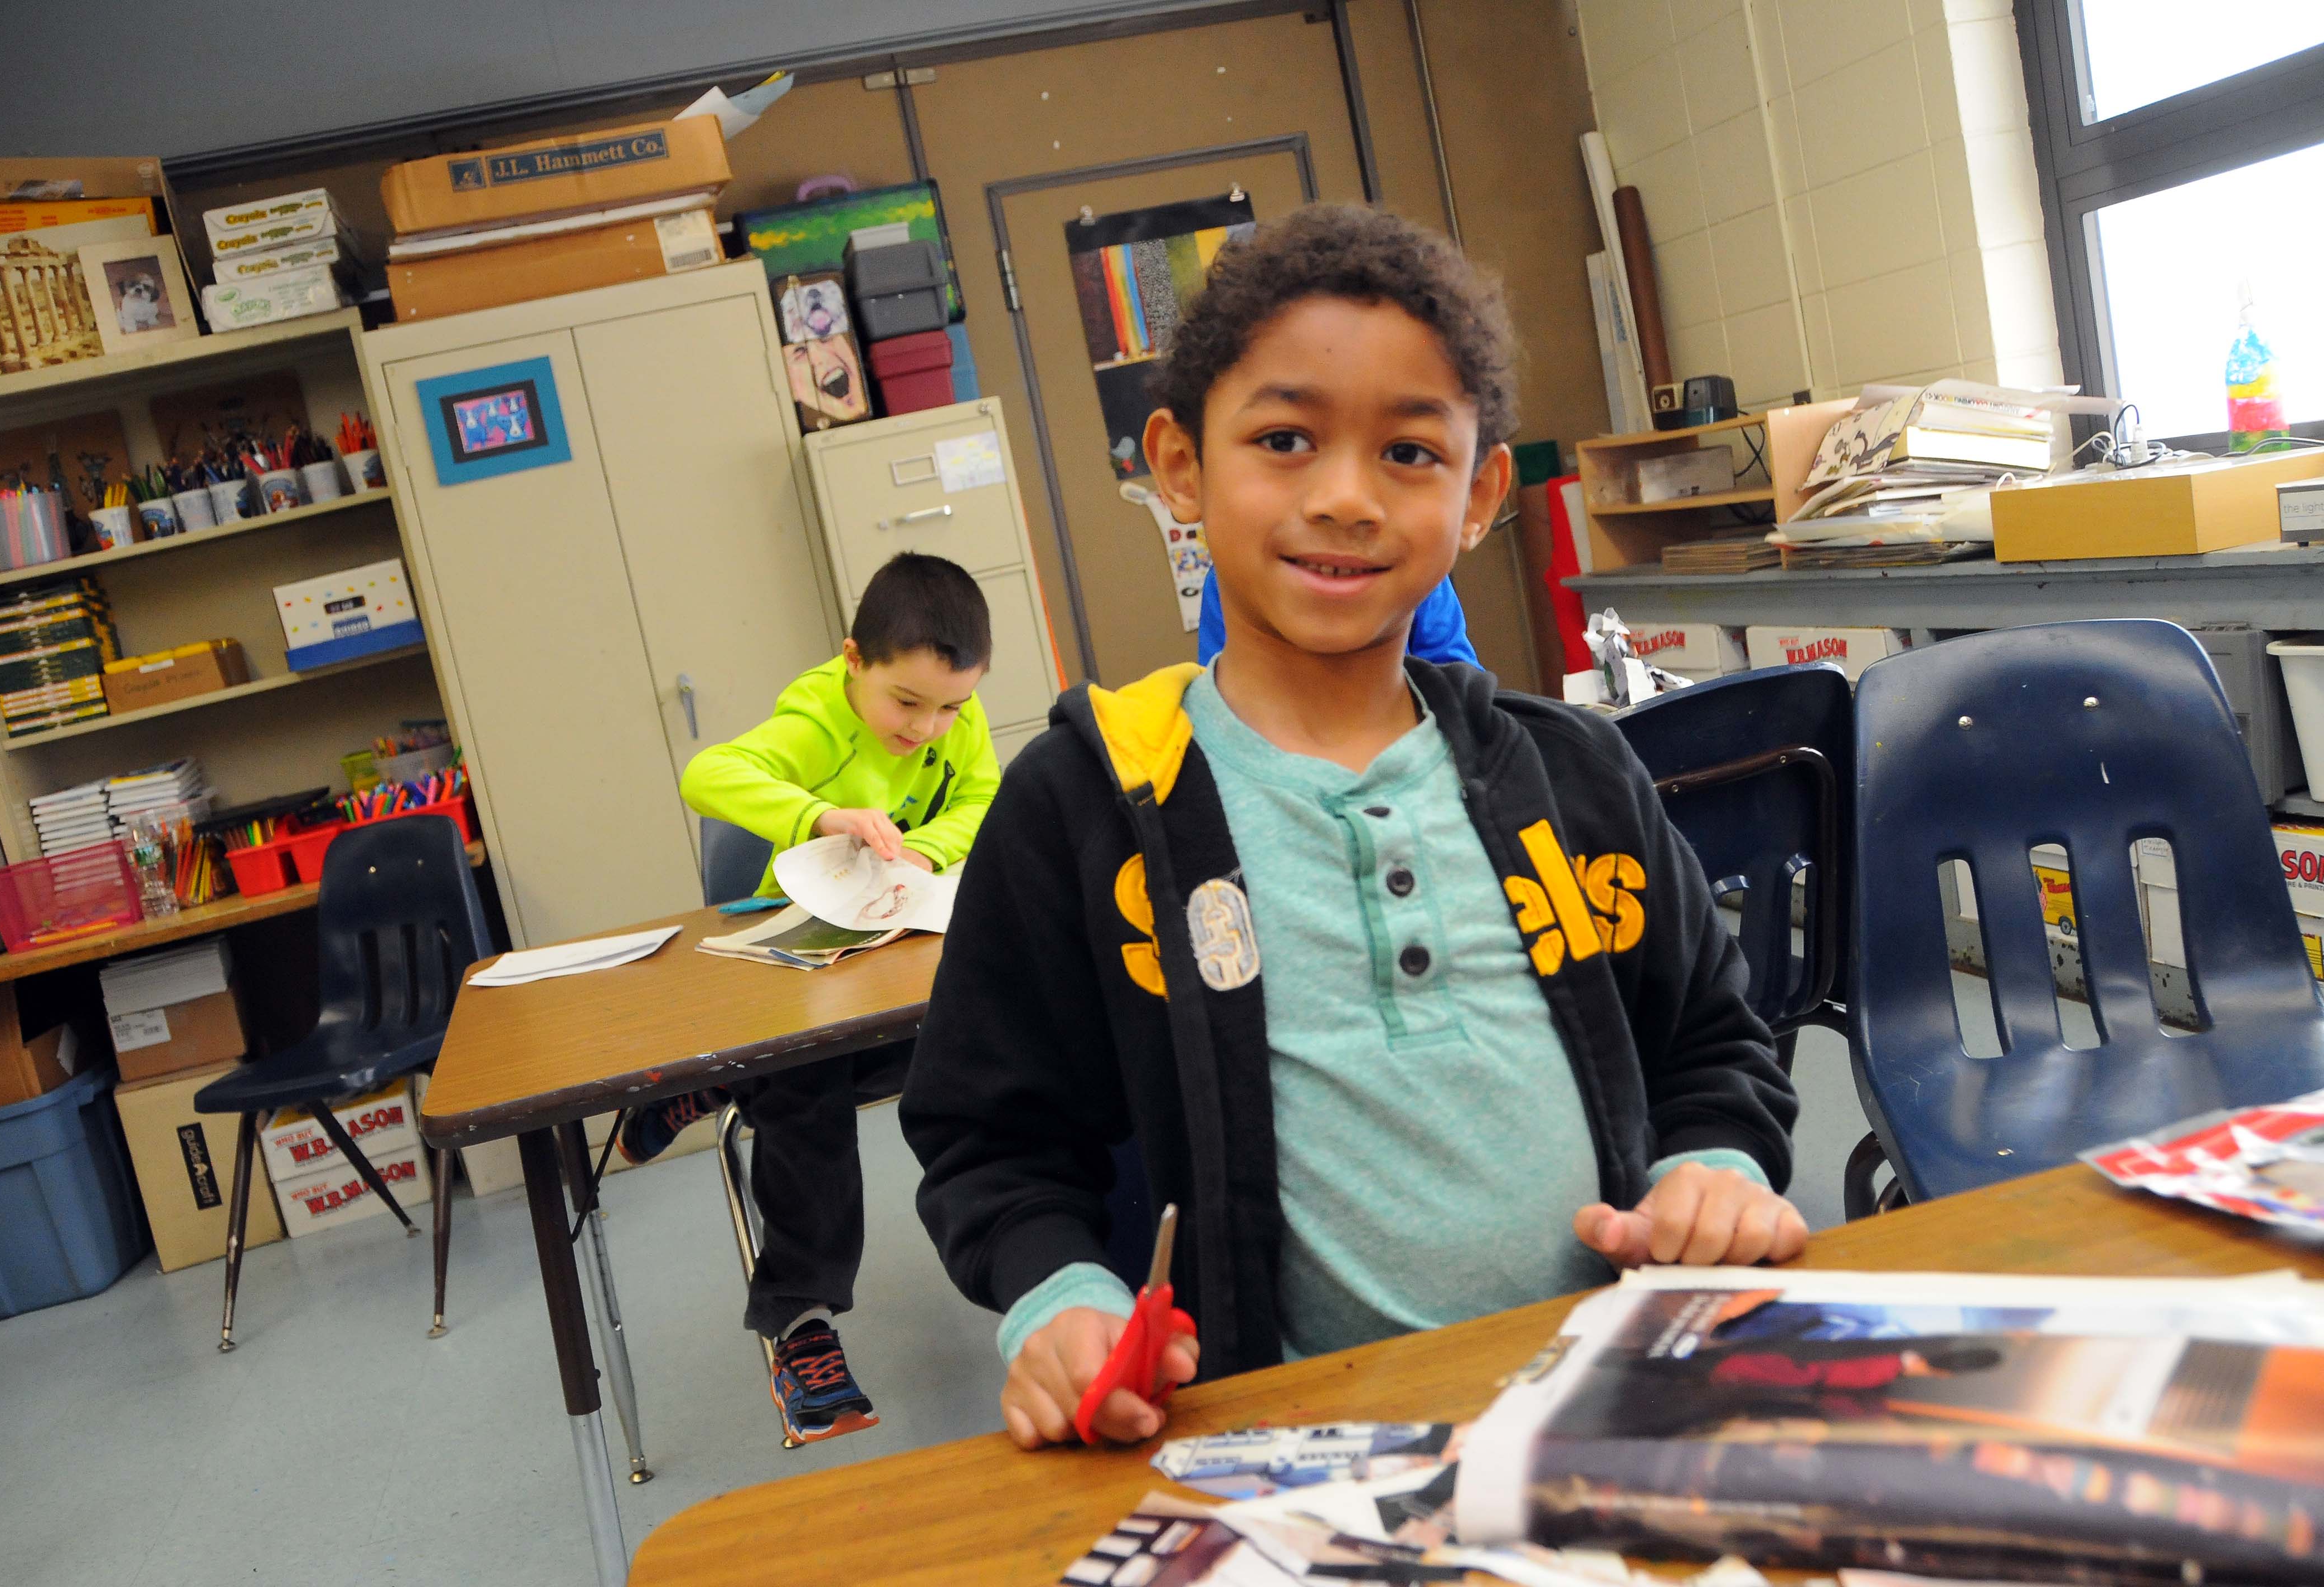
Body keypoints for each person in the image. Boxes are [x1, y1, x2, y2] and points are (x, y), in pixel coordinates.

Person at [899, 204, 1804, 1453]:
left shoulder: (1578, 775)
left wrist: (1713, 1168)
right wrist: (1062, 1297)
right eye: (1282, 440)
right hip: (1289, 1454)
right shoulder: (1086, 801)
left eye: (1408, 454)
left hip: (1611, 1406)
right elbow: (990, 1138)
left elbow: (1711, 1042)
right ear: (1177, 465)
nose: (1342, 498)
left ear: (1482, 490)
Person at [623, 551, 998, 1444]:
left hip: (890, 935)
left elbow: (983, 795)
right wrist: (822, 819)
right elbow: (705, 776)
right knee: (806, 1082)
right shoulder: (819, 715)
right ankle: (801, 1324)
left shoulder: (958, 713)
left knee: (982, 1034)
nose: (929, 727)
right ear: (852, 659)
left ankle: (714, 1082)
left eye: (950, 706)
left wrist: (925, 851)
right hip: (790, 959)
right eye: (906, 703)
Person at [1195, 566, 1477, 668]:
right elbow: (1223, 681)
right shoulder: (1229, 579)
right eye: (1283, 444)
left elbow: (1454, 670)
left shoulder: (1418, 570)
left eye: (1403, 454)